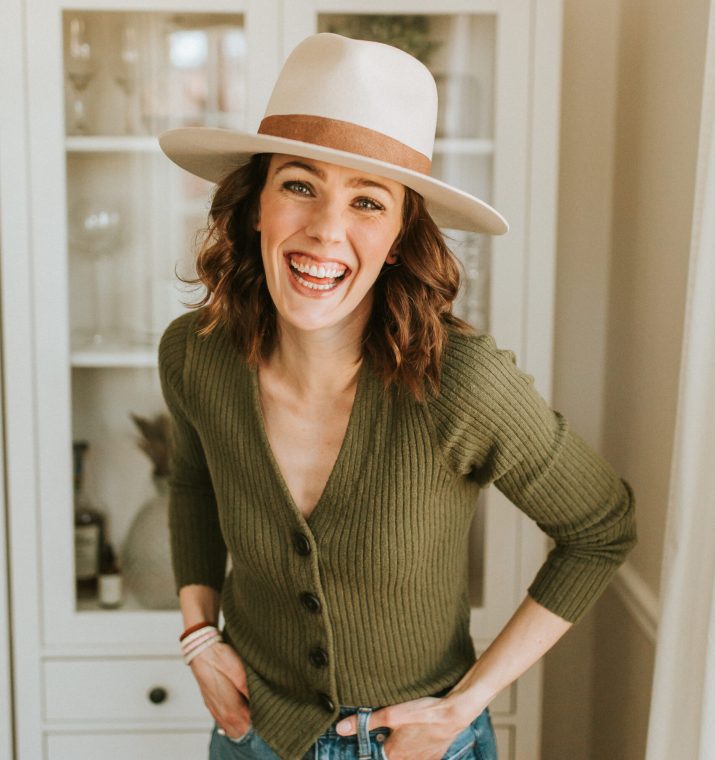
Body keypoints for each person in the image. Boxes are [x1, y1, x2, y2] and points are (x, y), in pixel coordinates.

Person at [157, 33, 637, 760]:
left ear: (398, 237)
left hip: (416, 745)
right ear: (254, 202)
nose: (325, 230)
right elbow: (194, 480)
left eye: (367, 202)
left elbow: (599, 528)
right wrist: (199, 633)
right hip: (253, 734)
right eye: (298, 183)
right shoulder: (195, 355)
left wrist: (465, 704)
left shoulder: (461, 385)